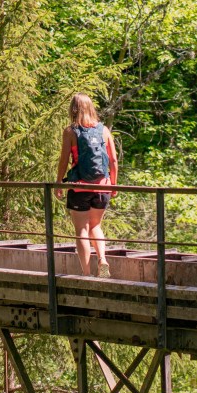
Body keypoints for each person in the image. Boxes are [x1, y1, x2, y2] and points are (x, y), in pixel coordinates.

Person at [55, 93, 118, 277]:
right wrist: (113, 185)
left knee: (81, 229)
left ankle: (86, 273)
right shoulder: (104, 130)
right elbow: (113, 160)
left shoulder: (71, 131)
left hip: (79, 187)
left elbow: (64, 159)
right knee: (95, 225)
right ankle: (103, 260)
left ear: (73, 110)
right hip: (102, 187)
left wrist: (59, 182)